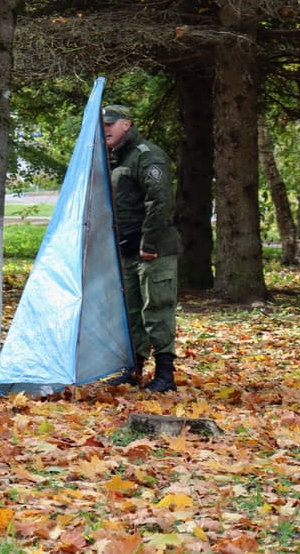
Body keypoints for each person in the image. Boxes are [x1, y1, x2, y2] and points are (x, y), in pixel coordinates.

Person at [102, 104, 181, 393]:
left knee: (157, 309)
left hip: (153, 249)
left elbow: (160, 202)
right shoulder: (112, 158)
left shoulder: (148, 156)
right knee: (130, 311)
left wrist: (148, 244)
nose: (106, 128)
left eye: (111, 123)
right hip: (126, 249)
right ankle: (133, 370)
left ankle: (165, 375)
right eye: (103, 125)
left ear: (127, 124)